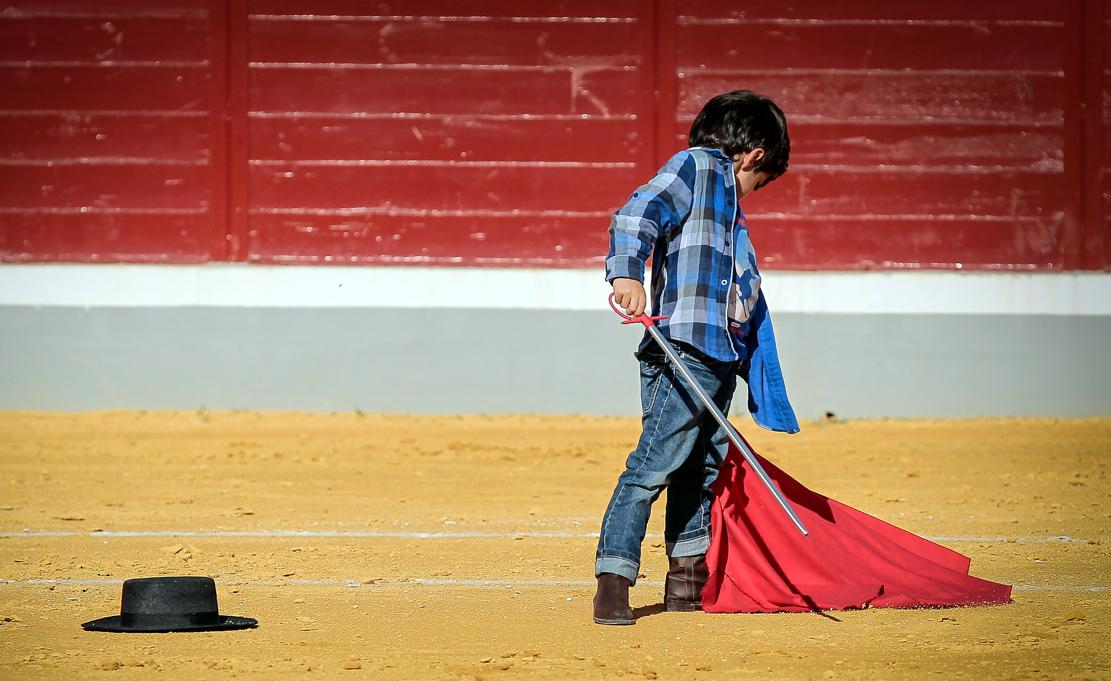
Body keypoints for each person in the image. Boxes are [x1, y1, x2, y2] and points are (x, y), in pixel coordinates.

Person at [594, 90, 800, 625]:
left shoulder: (734, 217)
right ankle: (613, 582)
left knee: (699, 468)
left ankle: (686, 582)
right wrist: (626, 274)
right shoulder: (699, 167)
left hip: (718, 354)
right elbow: (636, 213)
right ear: (755, 154)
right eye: (762, 180)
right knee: (654, 464)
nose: (755, 191)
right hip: (681, 348)